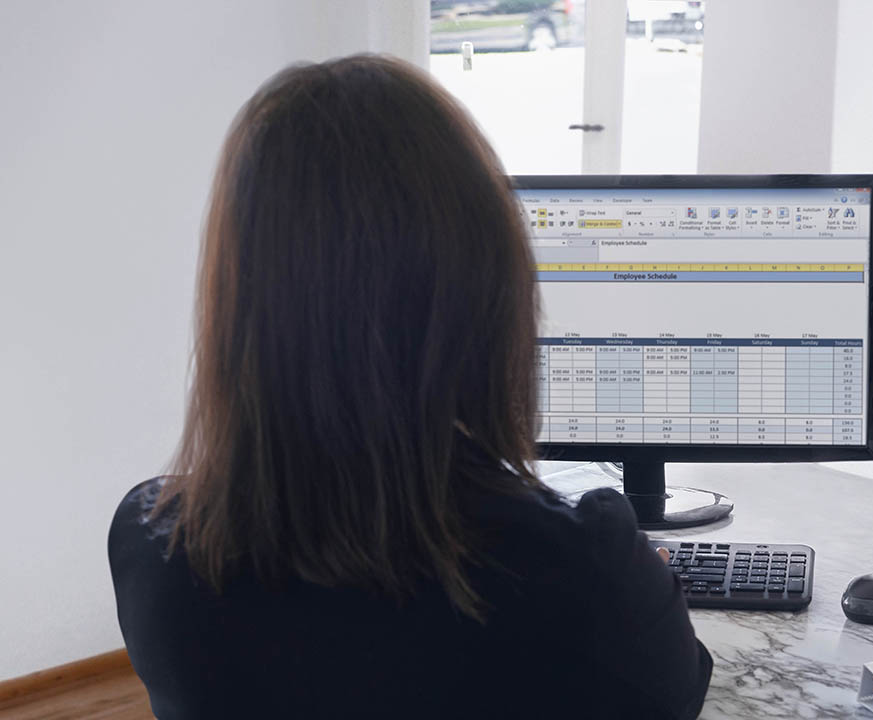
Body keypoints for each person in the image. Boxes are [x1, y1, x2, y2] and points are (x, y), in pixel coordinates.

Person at [108, 55, 712, 719]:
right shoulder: (578, 571)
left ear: (240, 299)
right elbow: (677, 693)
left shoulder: (153, 551)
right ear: (484, 285)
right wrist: (641, 579)